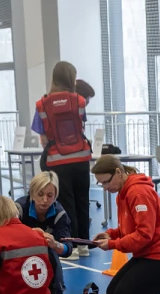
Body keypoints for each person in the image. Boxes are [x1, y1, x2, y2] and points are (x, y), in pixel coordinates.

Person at [91, 155, 160, 294]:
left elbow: (143, 235)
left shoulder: (138, 193)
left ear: (118, 172)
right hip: (144, 254)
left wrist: (112, 244)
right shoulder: (122, 193)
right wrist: (111, 234)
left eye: (106, 182)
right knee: (112, 293)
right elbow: (130, 228)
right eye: (101, 183)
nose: (104, 187)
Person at [34, 62, 93, 248]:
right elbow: (81, 125)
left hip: (57, 160)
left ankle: (70, 245)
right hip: (81, 158)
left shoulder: (42, 104)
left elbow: (43, 137)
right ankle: (84, 244)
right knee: (83, 200)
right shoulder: (79, 101)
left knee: (66, 203)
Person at [16, 172, 74, 259]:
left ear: (55, 196)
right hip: (19, 256)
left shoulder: (60, 215)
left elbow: (68, 248)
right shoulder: (18, 209)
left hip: (47, 259)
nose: (45, 200)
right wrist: (29, 235)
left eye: (50, 195)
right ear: (32, 193)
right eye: (40, 194)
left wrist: (55, 245)